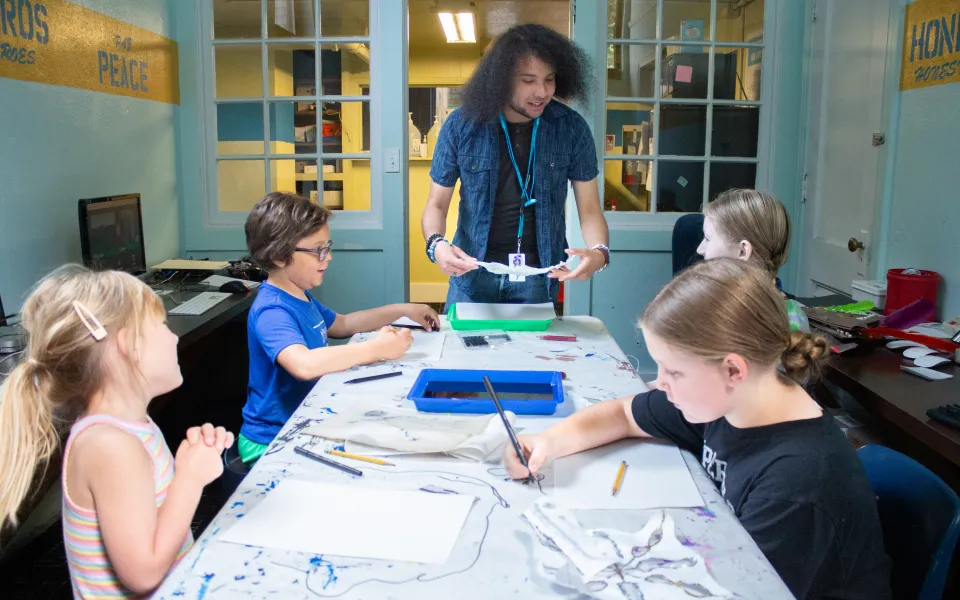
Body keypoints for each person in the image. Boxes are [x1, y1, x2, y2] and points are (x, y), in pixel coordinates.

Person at [504, 259, 891, 600]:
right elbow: (624, 413)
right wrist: (545, 441)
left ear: (733, 369)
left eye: (673, 371)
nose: (659, 383)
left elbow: (739, 588)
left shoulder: (797, 485)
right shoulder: (729, 402)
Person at [0, 266, 234, 598]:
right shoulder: (109, 446)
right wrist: (189, 478)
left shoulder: (134, 426)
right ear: (129, 345)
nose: (174, 336)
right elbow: (142, 573)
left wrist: (192, 460)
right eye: (163, 325)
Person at [239, 192, 440, 463]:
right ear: (278, 255)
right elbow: (304, 364)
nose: (328, 257)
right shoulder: (272, 310)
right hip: (271, 440)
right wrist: (376, 349)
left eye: (328, 247)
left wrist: (404, 309)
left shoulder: (299, 295)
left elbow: (344, 324)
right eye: (318, 250)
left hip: (301, 423)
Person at [422, 24, 611, 305]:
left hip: (538, 277)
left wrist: (600, 252)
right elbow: (436, 204)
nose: (542, 92)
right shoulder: (462, 126)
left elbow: (590, 209)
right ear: (502, 79)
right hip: (473, 275)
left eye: (549, 79)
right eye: (528, 80)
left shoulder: (571, 129)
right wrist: (437, 246)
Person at [697, 188, 809, 332]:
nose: (699, 249)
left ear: (743, 251)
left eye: (707, 239)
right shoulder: (795, 315)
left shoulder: (723, 322)